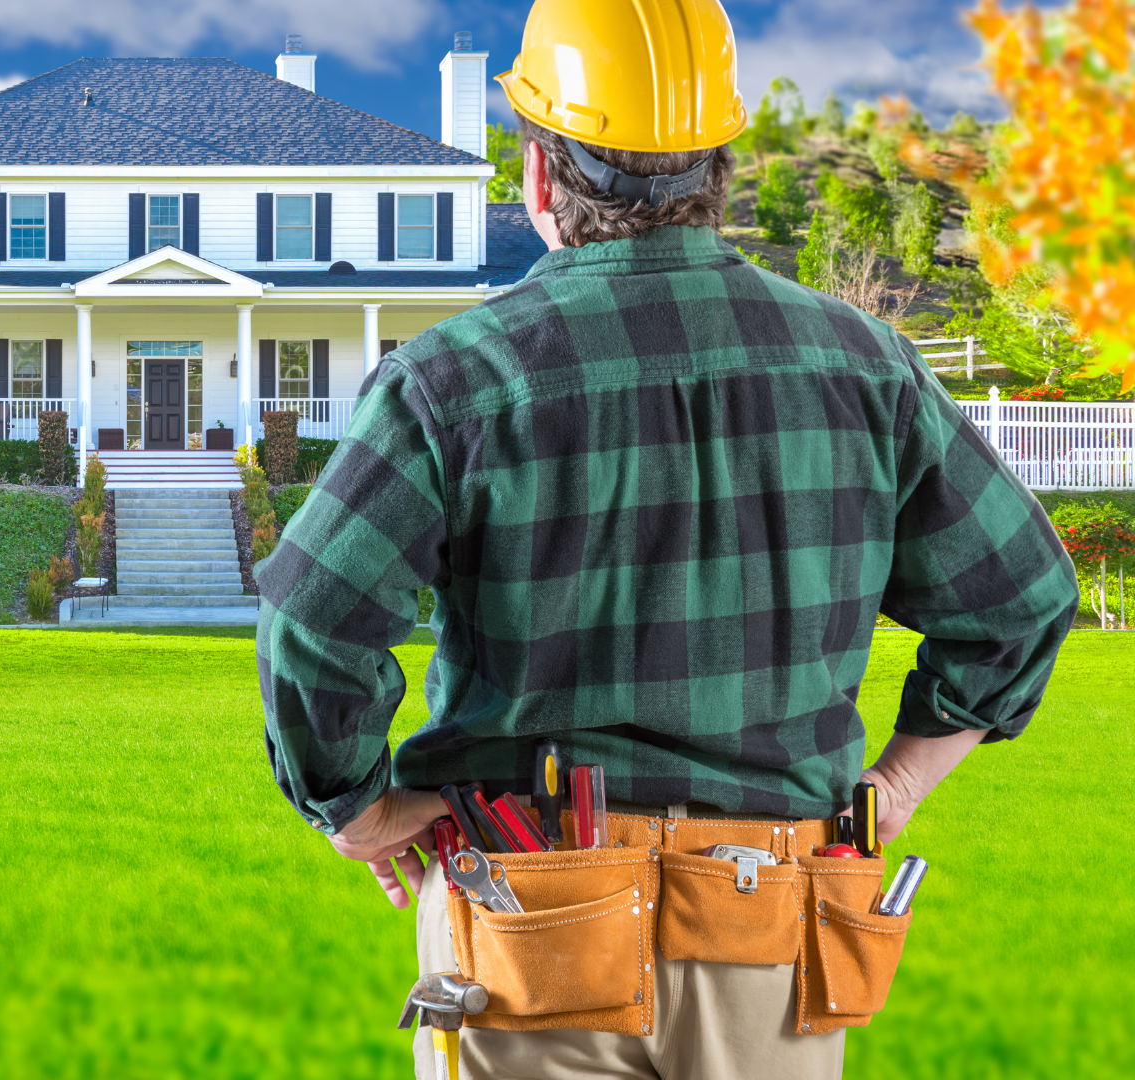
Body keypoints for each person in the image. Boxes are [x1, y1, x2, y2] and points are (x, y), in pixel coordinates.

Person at [253, 1, 1078, 1077]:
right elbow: (1019, 602)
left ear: (541, 176)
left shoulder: (453, 382)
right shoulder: (865, 368)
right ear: (720, 169)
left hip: (528, 926)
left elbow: (314, 618)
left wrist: (356, 809)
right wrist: (894, 788)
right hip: (772, 935)